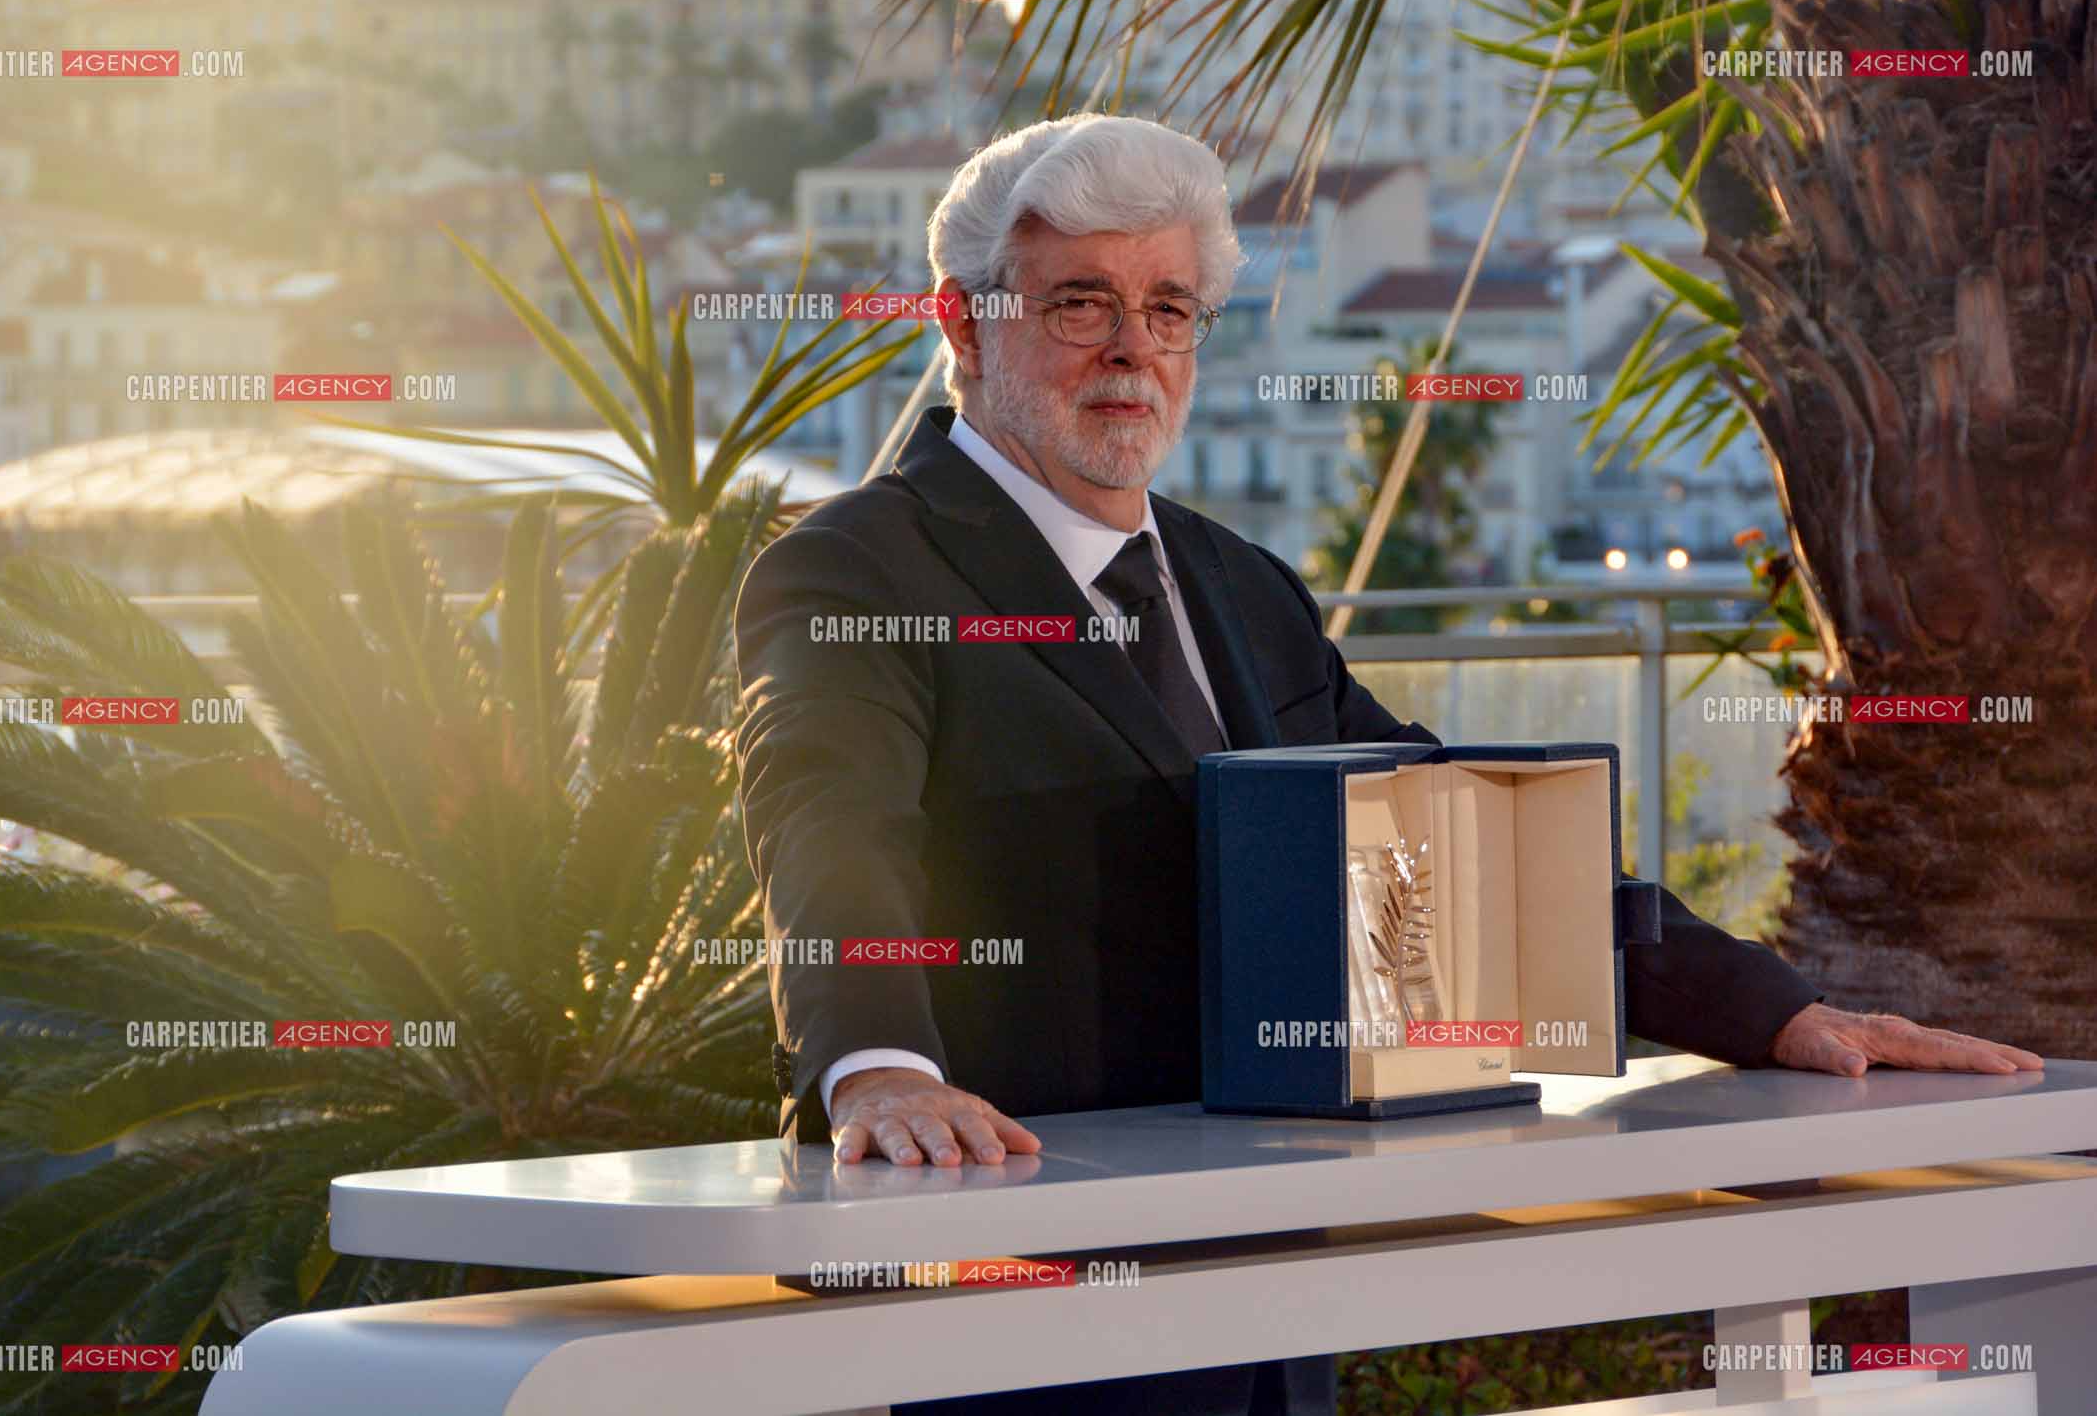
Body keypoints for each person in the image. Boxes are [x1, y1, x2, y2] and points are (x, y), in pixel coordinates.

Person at [730, 114, 2042, 1416]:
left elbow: (1460, 839)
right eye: (1081, 302)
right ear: (961, 323)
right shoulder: (855, 568)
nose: (1135, 348)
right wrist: (878, 1067)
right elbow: (830, 827)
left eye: (1172, 307)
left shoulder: (1243, 589)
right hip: (1015, 1308)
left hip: (1272, 1295)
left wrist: (1772, 1011)